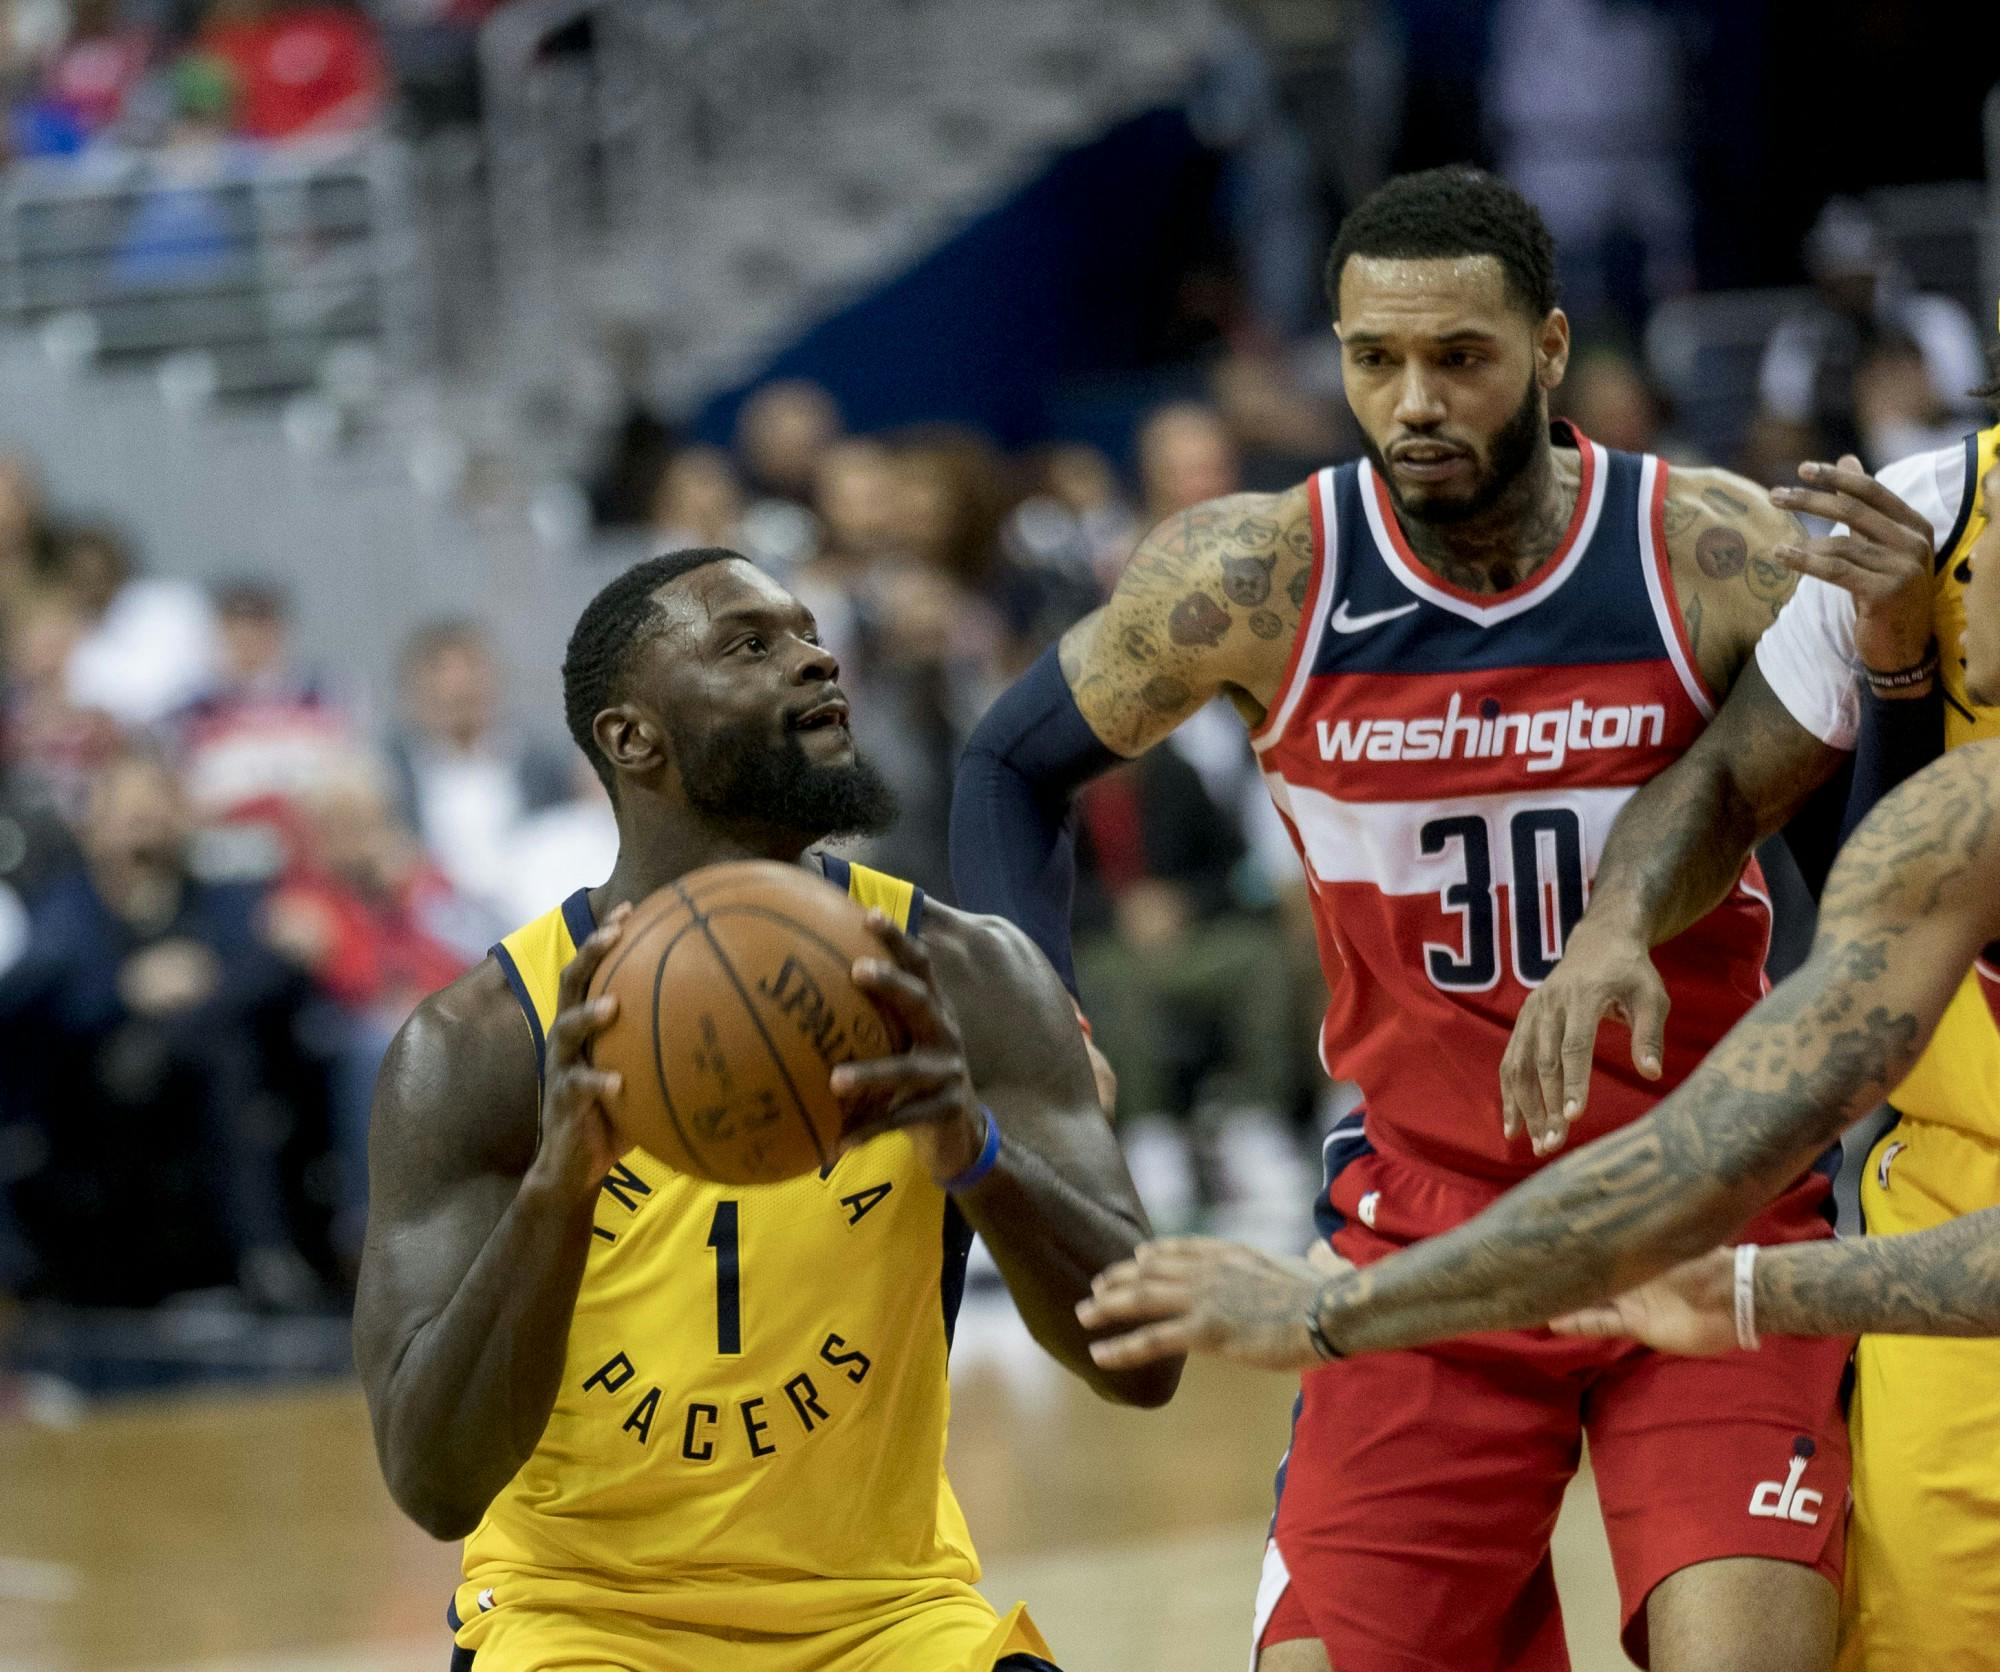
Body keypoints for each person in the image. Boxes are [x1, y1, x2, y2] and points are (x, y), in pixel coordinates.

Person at [951, 166, 1932, 1672]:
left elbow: (1867, 865)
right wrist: (1038, 1020)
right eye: (1372, 360)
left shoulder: (1706, 554)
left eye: (1458, 359)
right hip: (1428, 1228)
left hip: (1708, 1201)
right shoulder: (1259, 575)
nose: (1413, 400)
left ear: (1546, 350)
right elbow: (1010, 763)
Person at [1077, 470, 2000, 1666]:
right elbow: (1706, 1146)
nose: (1960, 569)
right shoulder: (1958, 821)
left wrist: (1328, 1309)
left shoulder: (1705, 545)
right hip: (1469, 1208)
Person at [352, 548, 1177, 1672]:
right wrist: (558, 1189)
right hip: (582, 1626)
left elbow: (1143, 1364)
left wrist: (972, 1154)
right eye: (751, 644)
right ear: (630, 736)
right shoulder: (480, 1042)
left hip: (887, 1618)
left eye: (806, 631)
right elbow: (433, 1482)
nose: (815, 656)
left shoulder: (960, 975)